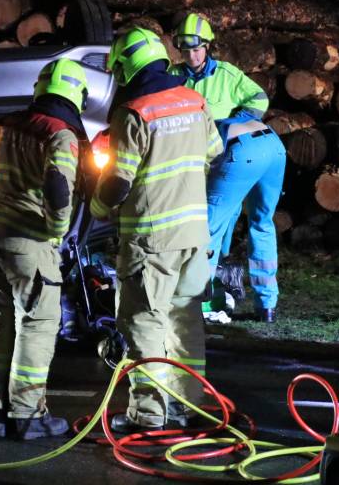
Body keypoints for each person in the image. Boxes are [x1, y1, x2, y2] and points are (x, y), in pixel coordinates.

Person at [91, 27, 222, 432]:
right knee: (185, 321)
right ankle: (191, 404)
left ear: (126, 69)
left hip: (152, 240)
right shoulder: (194, 100)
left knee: (143, 322)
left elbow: (118, 181)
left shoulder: (134, 113)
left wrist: (97, 206)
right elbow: (214, 153)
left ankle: (148, 413)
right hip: (194, 237)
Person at [0, 58, 89, 440]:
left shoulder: (9, 126)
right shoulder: (59, 133)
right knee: (37, 325)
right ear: (76, 94)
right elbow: (58, 185)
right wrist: (57, 230)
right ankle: (28, 416)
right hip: (29, 239)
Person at [172, 13, 286, 322]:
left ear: (207, 46)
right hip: (271, 148)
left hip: (241, 153)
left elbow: (259, 98)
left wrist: (226, 125)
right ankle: (267, 305)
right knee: (261, 223)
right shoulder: (175, 76)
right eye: (185, 49)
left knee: (203, 228)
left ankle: (199, 300)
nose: (192, 55)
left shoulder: (225, 73)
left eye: (197, 48)